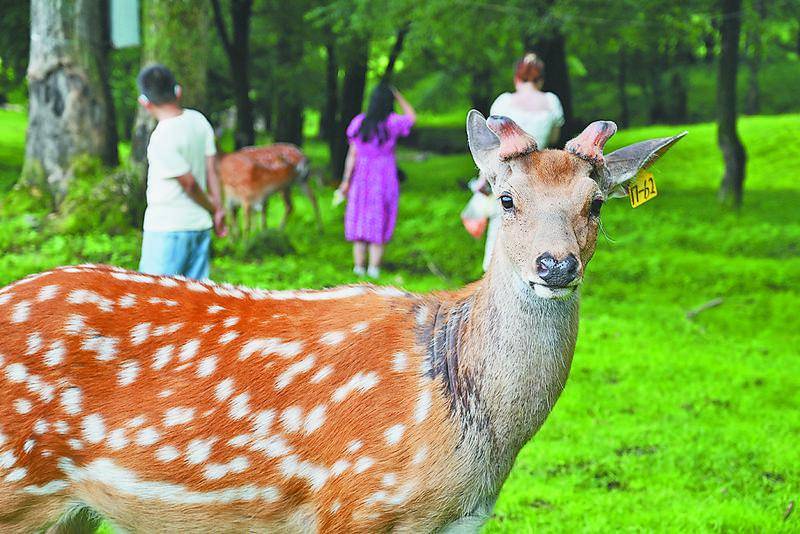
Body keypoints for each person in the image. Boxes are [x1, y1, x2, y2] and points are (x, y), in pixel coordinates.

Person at [136, 64, 227, 280]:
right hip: (199, 227)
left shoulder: (161, 137)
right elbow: (212, 170)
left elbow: (190, 185)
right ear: (178, 91)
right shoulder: (199, 121)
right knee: (196, 304)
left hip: (166, 229)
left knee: (154, 302)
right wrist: (218, 208)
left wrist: (212, 207)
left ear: (145, 103)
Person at [476, 53, 565, 271]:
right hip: (540, 175)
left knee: (503, 220)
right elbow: (553, 139)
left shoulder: (504, 101)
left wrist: (482, 179)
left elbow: (494, 145)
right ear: (541, 79)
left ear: (517, 77)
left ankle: (495, 269)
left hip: (507, 173)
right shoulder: (551, 102)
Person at [337, 83, 416, 278]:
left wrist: (346, 181)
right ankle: (374, 269)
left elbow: (352, 155)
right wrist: (398, 95)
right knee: (380, 217)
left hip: (361, 179)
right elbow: (412, 117)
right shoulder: (392, 122)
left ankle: (358, 268)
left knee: (360, 219)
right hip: (384, 178)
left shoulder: (359, 123)